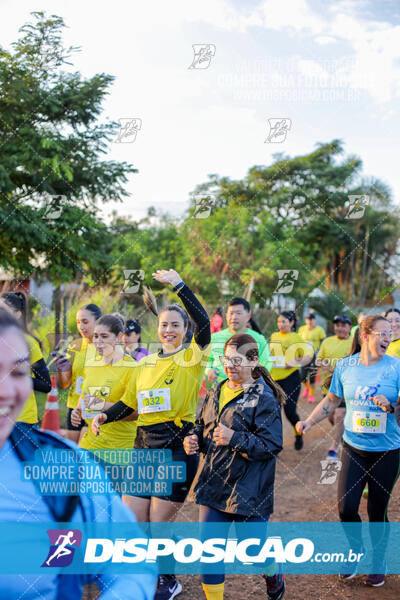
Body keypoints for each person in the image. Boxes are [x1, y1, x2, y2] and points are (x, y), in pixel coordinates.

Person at [0, 307, 157, 599]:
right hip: (92, 440)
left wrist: (101, 416)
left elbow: (133, 559)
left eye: (19, 372)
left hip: (118, 448)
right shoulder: (89, 360)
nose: (6, 390)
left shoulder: (66, 465)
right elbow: (75, 390)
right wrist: (82, 410)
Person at [90, 269, 210, 600]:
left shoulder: (191, 358)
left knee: (158, 527)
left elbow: (206, 325)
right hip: (143, 447)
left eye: (175, 325)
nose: (168, 330)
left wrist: (180, 285)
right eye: (164, 325)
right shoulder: (144, 364)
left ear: (185, 330)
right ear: (157, 329)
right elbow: (129, 402)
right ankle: (141, 575)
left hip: (176, 449)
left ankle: (167, 580)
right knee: (134, 521)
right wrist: (104, 415)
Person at [297, 314, 400, 587]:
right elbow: (332, 400)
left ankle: (378, 560)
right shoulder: (346, 366)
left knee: (378, 511)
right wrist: (309, 421)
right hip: (353, 447)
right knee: (346, 508)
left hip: (387, 451)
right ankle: (355, 550)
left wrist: (391, 407)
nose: (389, 337)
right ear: (365, 336)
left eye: (391, 333)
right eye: (383, 333)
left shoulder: (396, 367)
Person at [184, 333, 285, 600]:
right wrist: (194, 439)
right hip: (213, 483)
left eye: (237, 360)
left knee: (252, 552)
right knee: (210, 552)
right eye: (226, 359)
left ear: (253, 360)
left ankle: (273, 571)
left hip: (248, 488)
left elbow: (271, 445)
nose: (229, 365)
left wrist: (234, 439)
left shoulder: (264, 398)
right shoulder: (217, 389)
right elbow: (202, 424)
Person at [70, 314, 137, 452]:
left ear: (119, 337)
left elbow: (136, 413)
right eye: (95, 336)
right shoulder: (91, 365)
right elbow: (85, 397)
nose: (98, 341)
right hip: (89, 443)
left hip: (117, 448)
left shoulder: (132, 368)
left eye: (104, 336)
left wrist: (99, 404)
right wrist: (77, 411)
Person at [0, 291, 51, 425]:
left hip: (22, 421)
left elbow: (46, 385)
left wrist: (18, 376)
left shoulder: (28, 342)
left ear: (17, 315)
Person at [55, 303, 101, 442]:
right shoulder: (74, 346)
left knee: (85, 452)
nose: (81, 327)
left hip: (94, 405)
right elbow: (64, 384)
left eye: (85, 322)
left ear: (98, 321)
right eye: (78, 322)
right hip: (73, 407)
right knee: (72, 455)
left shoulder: (105, 347)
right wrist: (61, 369)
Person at [269, 311, 313, 450]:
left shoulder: (296, 337)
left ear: (291, 323)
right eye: (278, 322)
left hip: (291, 379)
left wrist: (294, 361)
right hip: (274, 380)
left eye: (283, 321)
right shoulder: (274, 336)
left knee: (289, 411)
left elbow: (307, 356)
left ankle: (298, 433)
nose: (280, 324)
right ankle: (274, 443)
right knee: (273, 412)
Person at [206, 297, 272, 385]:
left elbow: (266, 362)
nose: (234, 317)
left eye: (238, 313)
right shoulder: (214, 337)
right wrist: (208, 370)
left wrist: (254, 376)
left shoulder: (258, 339)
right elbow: (207, 359)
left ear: (248, 316)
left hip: (247, 389)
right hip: (220, 389)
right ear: (226, 316)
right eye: (231, 313)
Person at [316, 314, 353, 462]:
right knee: (331, 417)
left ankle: (333, 448)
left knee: (339, 415)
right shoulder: (327, 341)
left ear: (349, 327)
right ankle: (345, 435)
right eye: (337, 325)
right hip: (329, 386)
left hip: (346, 388)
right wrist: (323, 364)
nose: (340, 328)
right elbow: (318, 359)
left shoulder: (354, 343)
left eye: (343, 325)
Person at [298, 313, 325, 403]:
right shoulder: (302, 329)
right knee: (302, 377)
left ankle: (311, 395)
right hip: (304, 356)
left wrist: (321, 354)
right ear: (306, 320)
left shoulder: (319, 330)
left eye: (311, 319)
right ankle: (308, 388)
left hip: (314, 356)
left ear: (314, 320)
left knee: (312, 376)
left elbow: (324, 342)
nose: (309, 321)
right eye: (308, 319)